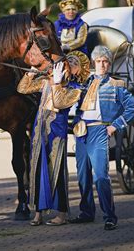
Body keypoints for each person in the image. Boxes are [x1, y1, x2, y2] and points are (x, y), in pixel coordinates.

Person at [69, 45, 134, 231]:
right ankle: (87, 212)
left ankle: (110, 216)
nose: (102, 64)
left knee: (100, 175)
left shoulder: (116, 85)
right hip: (82, 132)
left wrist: (115, 126)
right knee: (83, 175)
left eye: (105, 61)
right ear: (94, 62)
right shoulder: (84, 82)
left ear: (109, 64)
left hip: (100, 130)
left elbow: (133, 108)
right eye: (99, 61)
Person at [17, 51, 90, 226]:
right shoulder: (47, 82)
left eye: (73, 64)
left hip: (57, 134)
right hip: (38, 130)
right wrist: (31, 73)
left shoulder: (75, 89)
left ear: (77, 71)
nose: (68, 65)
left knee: (56, 171)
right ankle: (38, 213)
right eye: (67, 61)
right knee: (36, 168)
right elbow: (22, 88)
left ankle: (62, 214)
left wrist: (57, 83)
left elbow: (58, 103)